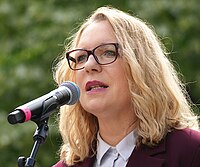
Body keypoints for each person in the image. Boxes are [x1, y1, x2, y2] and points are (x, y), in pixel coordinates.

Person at [52, 6, 200, 167]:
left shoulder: (191, 152)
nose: (89, 65)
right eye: (80, 57)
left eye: (108, 52)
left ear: (142, 66)